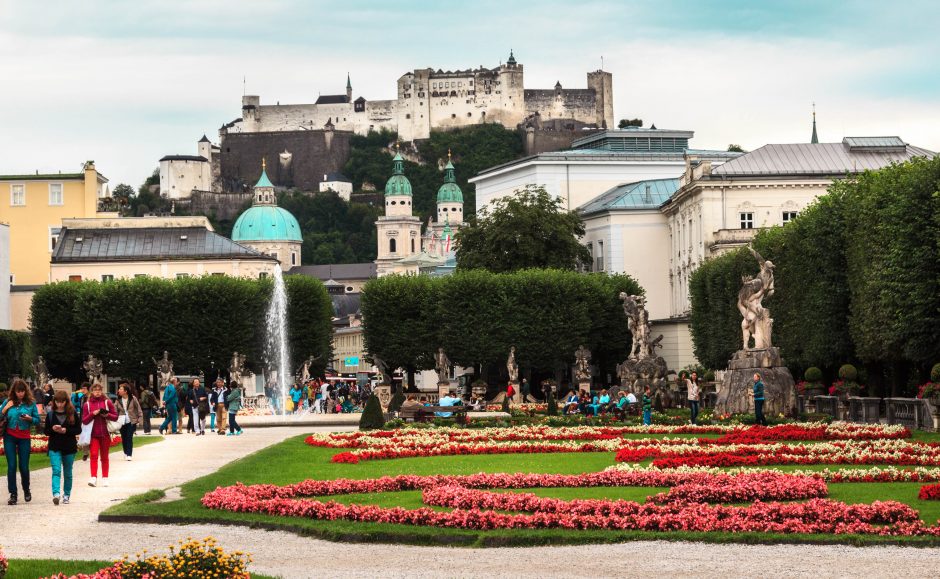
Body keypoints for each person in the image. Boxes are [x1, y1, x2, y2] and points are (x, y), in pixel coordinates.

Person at [3, 379, 41, 505]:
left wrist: (30, 418)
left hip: (24, 437)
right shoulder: (8, 402)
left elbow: (37, 420)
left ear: (26, 391)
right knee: (12, 466)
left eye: (22, 391)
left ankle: (26, 490)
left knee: (24, 467)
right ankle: (13, 494)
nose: (20, 394)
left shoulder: (30, 403)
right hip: (9, 436)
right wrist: (5, 408)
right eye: (18, 391)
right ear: (14, 391)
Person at [45, 390, 81, 505]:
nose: (60, 404)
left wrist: (66, 430)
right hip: (54, 446)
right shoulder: (50, 414)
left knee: (68, 472)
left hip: (69, 447)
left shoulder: (72, 413)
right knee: (56, 470)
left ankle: (66, 495)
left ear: (66, 401)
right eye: (57, 401)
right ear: (54, 401)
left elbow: (78, 429)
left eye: (62, 402)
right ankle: (56, 494)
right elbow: (46, 431)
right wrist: (53, 429)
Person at [81, 382, 117, 487]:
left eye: (99, 390)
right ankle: (93, 478)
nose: (97, 392)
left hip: (105, 434)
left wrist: (107, 415)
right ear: (92, 391)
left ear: (102, 391)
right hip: (93, 434)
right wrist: (93, 414)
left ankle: (105, 478)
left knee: (105, 457)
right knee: (94, 455)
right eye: (95, 390)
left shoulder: (107, 402)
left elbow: (115, 417)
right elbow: (84, 420)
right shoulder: (87, 405)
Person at [115, 382, 143, 460]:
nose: (119, 390)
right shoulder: (118, 400)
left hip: (131, 421)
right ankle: (125, 452)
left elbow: (138, 409)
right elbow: (115, 410)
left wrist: (140, 419)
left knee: (129, 437)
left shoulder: (133, 398)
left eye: (120, 389)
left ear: (125, 391)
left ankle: (129, 454)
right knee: (124, 438)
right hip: (122, 421)